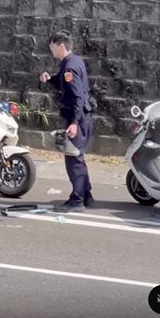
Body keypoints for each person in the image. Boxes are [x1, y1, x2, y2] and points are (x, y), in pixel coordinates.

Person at [39, 30, 94, 213]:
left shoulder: (69, 68)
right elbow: (65, 82)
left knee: (73, 159)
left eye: (52, 46)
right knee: (78, 157)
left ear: (60, 45)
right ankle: (86, 194)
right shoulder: (74, 61)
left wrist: (74, 123)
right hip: (82, 117)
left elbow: (77, 96)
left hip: (77, 118)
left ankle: (77, 200)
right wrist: (51, 79)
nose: (51, 50)